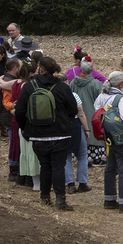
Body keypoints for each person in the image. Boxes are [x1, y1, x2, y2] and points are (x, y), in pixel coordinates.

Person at [15, 55, 80, 208]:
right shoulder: (63, 87)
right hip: (60, 133)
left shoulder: (30, 86)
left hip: (37, 134)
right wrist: (65, 121)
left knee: (45, 165)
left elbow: (19, 111)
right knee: (58, 166)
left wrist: (25, 127)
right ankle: (60, 199)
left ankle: (44, 196)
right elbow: (73, 109)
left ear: (41, 69)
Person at [97, 70, 123, 213]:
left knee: (110, 168)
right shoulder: (120, 99)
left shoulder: (102, 96)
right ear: (121, 84)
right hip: (122, 138)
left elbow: (97, 112)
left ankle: (109, 199)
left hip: (108, 136)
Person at [65, 55, 103, 190]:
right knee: (83, 153)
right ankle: (82, 182)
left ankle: (70, 184)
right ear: (92, 70)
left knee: (68, 156)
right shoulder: (97, 84)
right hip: (89, 116)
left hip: (71, 119)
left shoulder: (73, 83)